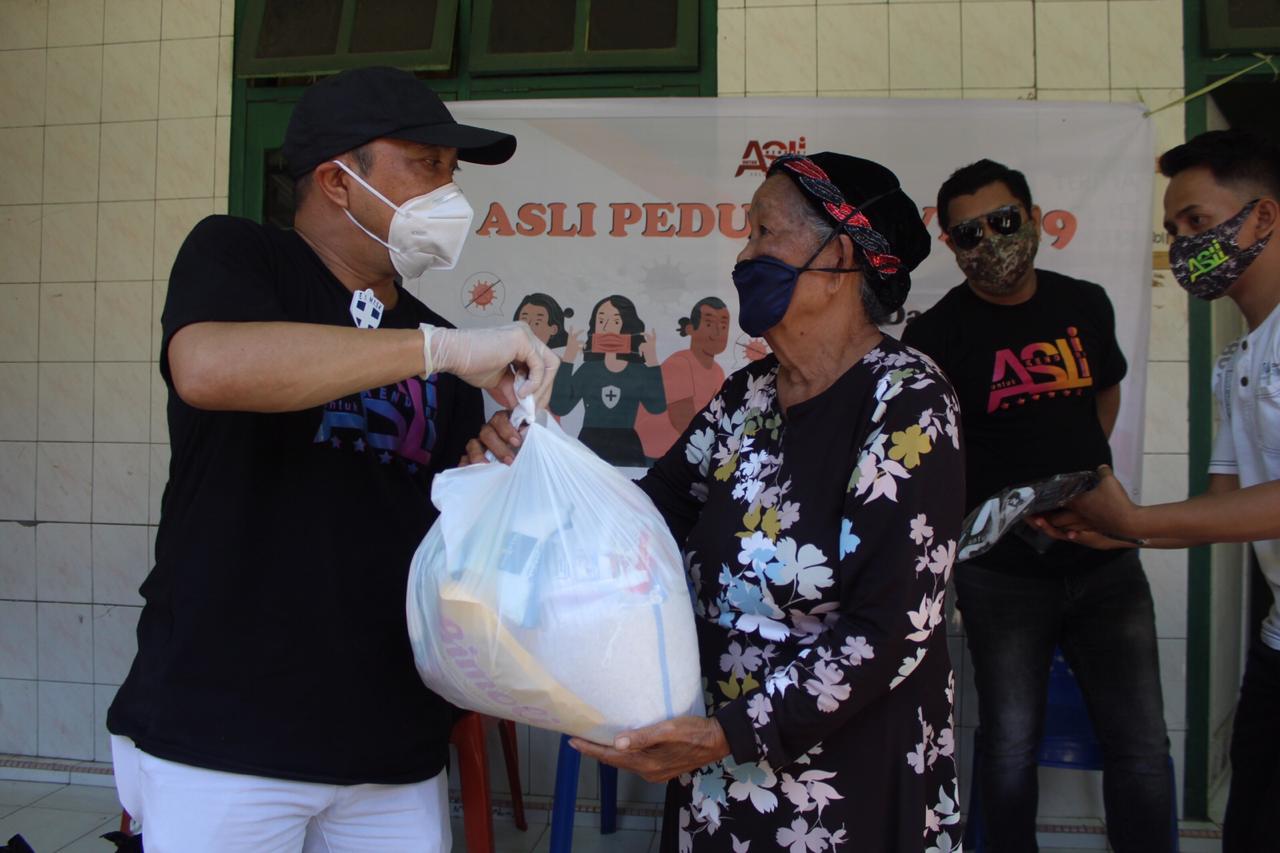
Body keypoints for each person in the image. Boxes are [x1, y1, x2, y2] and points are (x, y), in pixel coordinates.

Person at [104, 66, 558, 852]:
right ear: (338, 181)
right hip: (226, 732)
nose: (449, 194)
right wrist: (439, 348)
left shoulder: (441, 354)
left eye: (452, 173)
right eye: (426, 165)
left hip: (389, 742)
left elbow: (426, 533)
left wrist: (488, 471)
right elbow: (207, 368)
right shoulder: (242, 257)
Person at [473, 152, 966, 852]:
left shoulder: (908, 400)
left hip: (845, 779)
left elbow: (891, 627)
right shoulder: (748, 396)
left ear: (840, 256)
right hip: (718, 771)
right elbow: (647, 521)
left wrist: (727, 735)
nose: (744, 254)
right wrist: (539, 460)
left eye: (764, 232)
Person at [900, 159, 1174, 852]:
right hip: (1003, 576)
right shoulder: (934, 338)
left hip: (1107, 561)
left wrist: (1080, 483)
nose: (990, 241)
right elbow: (929, 457)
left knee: (1140, 744)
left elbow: (1103, 395)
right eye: (969, 233)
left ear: (1033, 216)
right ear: (951, 245)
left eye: (1002, 221)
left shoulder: (1085, 302)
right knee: (1010, 746)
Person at [1036, 129, 1280, 852]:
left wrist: (1137, 515)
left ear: (1262, 218)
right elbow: (1222, 504)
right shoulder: (1239, 354)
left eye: (1199, 222)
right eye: (1174, 230)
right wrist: (1123, 528)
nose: (1184, 245)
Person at [549, 294, 667, 467]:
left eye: (616, 321)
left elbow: (657, 407)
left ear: (627, 327)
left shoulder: (638, 370)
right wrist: (569, 358)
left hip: (627, 447)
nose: (608, 328)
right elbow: (560, 406)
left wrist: (652, 360)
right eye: (601, 321)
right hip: (589, 445)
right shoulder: (589, 369)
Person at [635, 297, 731, 462]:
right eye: (709, 324)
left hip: (690, 450)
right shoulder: (680, 363)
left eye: (723, 326)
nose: (717, 333)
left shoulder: (718, 371)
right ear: (690, 329)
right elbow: (682, 420)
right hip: (660, 454)